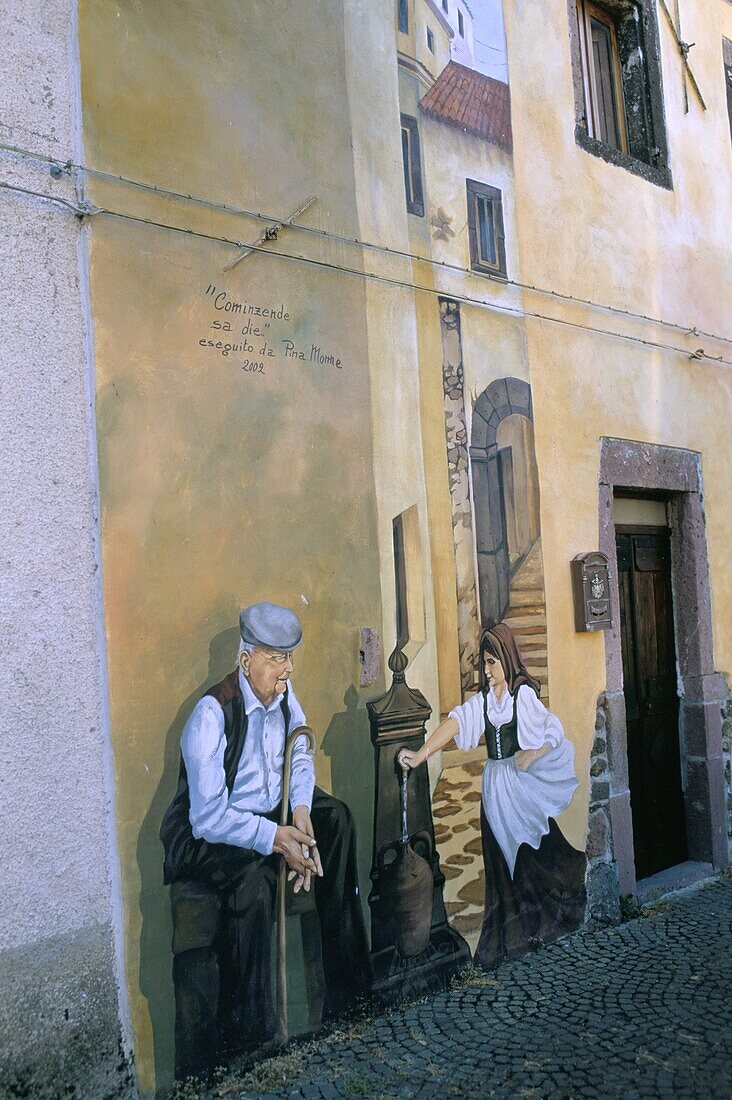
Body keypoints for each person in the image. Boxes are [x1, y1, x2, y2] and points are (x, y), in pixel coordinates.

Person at [160, 601, 370, 1081]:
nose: (288, 669)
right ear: (247, 658)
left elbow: (300, 752)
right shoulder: (212, 714)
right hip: (213, 832)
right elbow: (208, 815)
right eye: (278, 658)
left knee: (337, 821)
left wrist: (301, 814)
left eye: (289, 658)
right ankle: (257, 1045)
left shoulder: (283, 694)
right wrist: (278, 839)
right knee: (253, 883)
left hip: (274, 813)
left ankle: (349, 998)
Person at [399, 622, 586, 969]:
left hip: (519, 788)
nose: (485, 671)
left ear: (505, 660)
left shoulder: (522, 696)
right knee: (499, 862)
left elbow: (553, 730)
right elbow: (455, 724)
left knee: (532, 854)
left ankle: (540, 924)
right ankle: (508, 939)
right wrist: (422, 753)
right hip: (494, 790)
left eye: (491, 663)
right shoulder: (484, 702)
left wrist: (533, 753)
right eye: (483, 664)